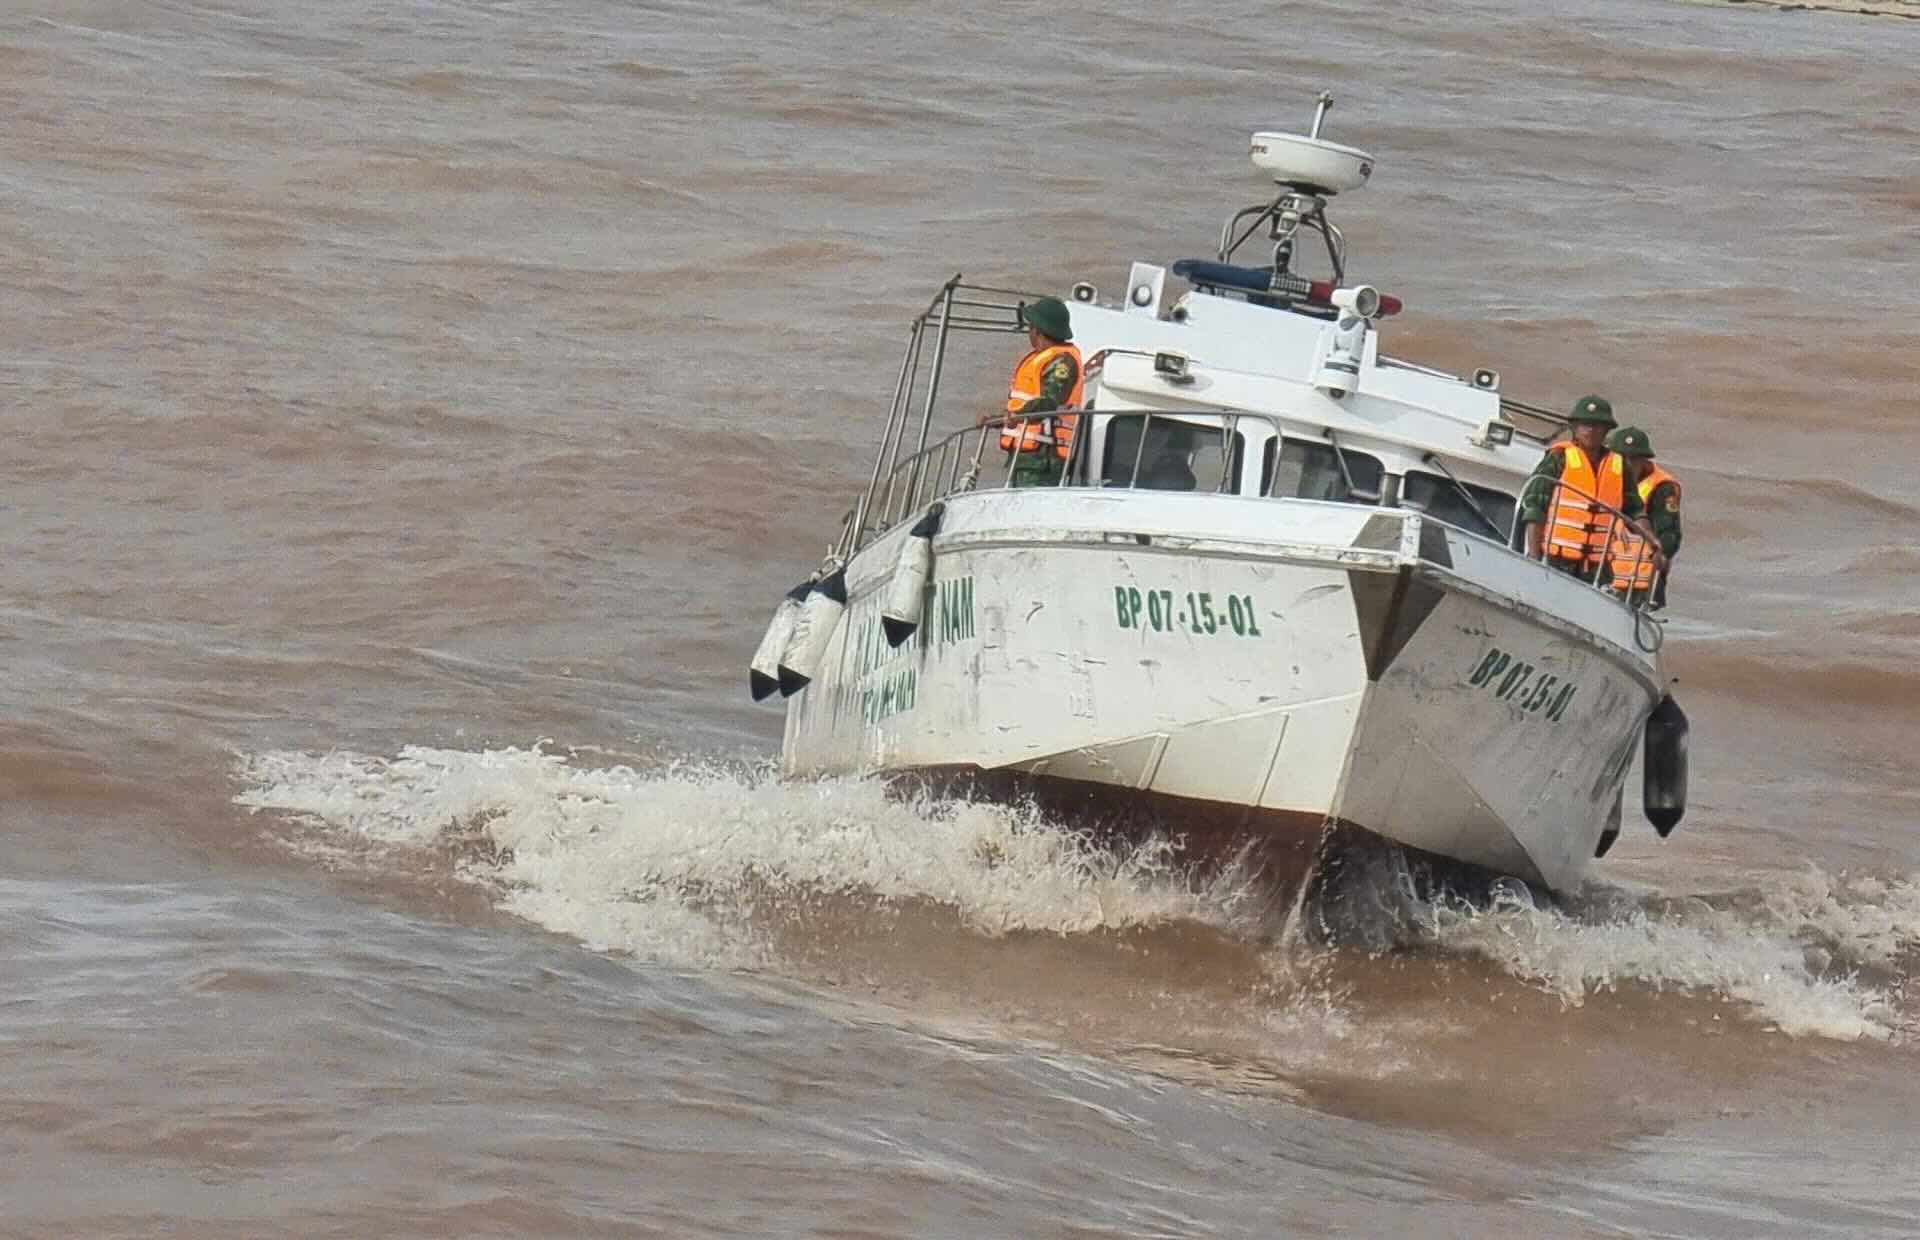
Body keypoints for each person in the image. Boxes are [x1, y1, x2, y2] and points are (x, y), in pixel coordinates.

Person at [1518, 395, 1654, 580]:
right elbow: (1535, 508)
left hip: (1597, 569)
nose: (1591, 430)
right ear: (1574, 428)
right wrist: (1533, 557)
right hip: (1554, 560)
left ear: (1607, 430)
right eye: (1585, 425)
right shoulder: (1558, 458)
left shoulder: (1619, 467)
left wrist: (1653, 543)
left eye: (1597, 425)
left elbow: (1635, 511)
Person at [981, 296, 1083, 487]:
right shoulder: (1042, 358)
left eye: (1030, 327)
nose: (1029, 331)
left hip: (1043, 462)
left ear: (1038, 331)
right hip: (1026, 459)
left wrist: (1012, 418)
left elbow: (1048, 403)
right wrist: (996, 419)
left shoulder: (1062, 362)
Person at [1603, 425, 1681, 608]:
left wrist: (1662, 553)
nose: (1627, 464)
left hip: (1640, 581)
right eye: (1622, 458)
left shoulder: (1662, 488)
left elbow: (1670, 532)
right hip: (1604, 573)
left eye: (1634, 459)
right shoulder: (1606, 477)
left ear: (1644, 460)